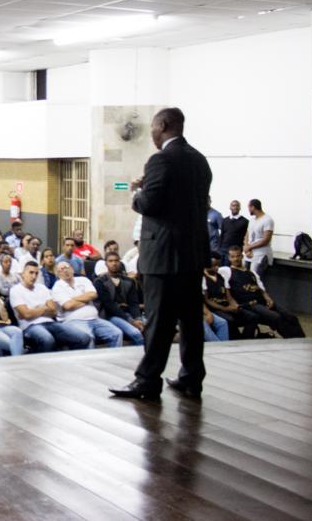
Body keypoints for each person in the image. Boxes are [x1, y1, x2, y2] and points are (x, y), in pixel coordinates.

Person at [111, 107, 212, 401]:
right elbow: (189, 202)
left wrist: (136, 193)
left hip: (163, 254)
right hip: (192, 254)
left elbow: (150, 205)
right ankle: (192, 378)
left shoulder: (160, 160)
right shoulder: (199, 160)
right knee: (191, 320)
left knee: (158, 320)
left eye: (154, 129)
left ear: (164, 125)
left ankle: (147, 380)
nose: (152, 135)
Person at [222, 246, 304, 339]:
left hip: (261, 301)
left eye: (238, 256)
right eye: (233, 257)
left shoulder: (252, 273)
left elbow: (261, 289)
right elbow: (226, 289)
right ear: (229, 258)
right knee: (276, 317)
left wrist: (268, 298)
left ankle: (301, 339)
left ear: (242, 256)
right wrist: (233, 303)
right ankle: (292, 340)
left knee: (291, 317)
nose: (236, 259)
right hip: (249, 304)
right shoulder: (226, 271)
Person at [10, 260, 91, 352]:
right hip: (30, 326)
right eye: (31, 273)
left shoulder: (42, 288)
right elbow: (27, 314)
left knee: (84, 338)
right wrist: (45, 308)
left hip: (51, 323)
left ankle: (69, 361)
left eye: (36, 273)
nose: (34, 276)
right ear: (23, 274)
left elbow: (54, 311)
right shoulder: (15, 290)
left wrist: (35, 310)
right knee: (48, 340)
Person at [50, 261, 123, 348]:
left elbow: (93, 294)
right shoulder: (57, 287)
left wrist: (73, 299)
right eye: (62, 269)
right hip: (73, 321)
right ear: (58, 274)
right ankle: (89, 362)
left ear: (72, 269)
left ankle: (113, 360)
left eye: (67, 267)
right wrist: (86, 300)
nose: (66, 270)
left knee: (117, 333)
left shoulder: (83, 280)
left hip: (95, 319)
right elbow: (68, 306)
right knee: (88, 338)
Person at [201, 252, 257, 339]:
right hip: (214, 308)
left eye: (218, 265)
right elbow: (207, 300)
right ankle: (235, 339)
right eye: (213, 265)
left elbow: (228, 295)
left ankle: (246, 340)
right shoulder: (203, 278)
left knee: (252, 317)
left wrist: (234, 305)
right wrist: (226, 309)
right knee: (229, 320)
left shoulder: (221, 277)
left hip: (226, 305)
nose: (216, 268)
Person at [93, 251, 145, 345]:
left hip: (127, 313)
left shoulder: (128, 281)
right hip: (110, 316)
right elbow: (110, 305)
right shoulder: (100, 282)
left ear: (120, 262)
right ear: (106, 263)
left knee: (151, 328)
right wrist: (131, 321)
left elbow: (133, 303)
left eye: (116, 261)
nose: (114, 263)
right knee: (136, 333)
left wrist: (138, 319)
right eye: (110, 261)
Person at [244, 199, 274, 281]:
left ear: (253, 207)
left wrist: (249, 247)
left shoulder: (267, 220)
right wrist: (246, 247)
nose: (248, 210)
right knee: (245, 277)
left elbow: (266, 239)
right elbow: (247, 234)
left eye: (249, 207)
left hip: (260, 253)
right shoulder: (252, 220)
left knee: (255, 278)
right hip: (248, 253)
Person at [219, 200, 248, 265]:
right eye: (233, 205)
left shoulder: (245, 221)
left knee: (229, 270)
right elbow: (222, 235)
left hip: (234, 252)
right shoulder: (225, 220)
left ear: (240, 208)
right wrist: (219, 248)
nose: (235, 207)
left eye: (237, 206)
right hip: (223, 249)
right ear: (230, 207)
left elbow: (246, 237)